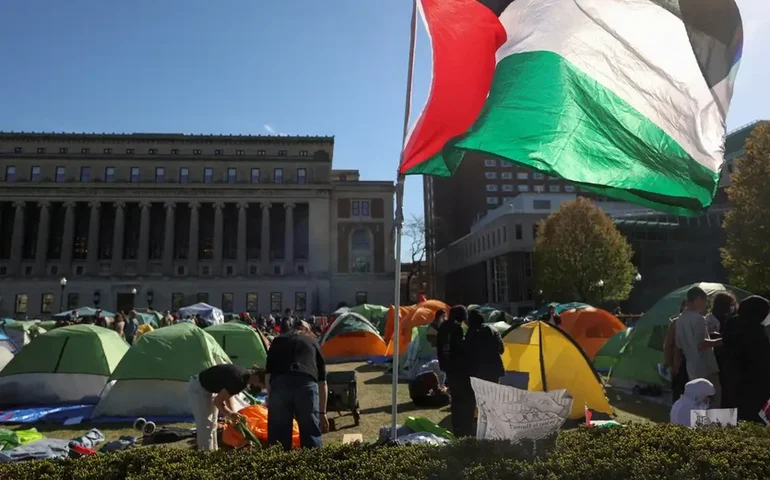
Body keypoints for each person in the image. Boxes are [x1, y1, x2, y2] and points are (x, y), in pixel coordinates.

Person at [266, 320, 328, 450]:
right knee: (310, 433)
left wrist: (271, 398)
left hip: (280, 385)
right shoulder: (312, 342)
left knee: (278, 436)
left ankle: (277, 467)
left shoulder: (277, 341)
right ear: (308, 331)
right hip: (306, 384)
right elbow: (322, 382)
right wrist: (322, 413)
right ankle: (313, 466)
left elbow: (268, 375)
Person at [187, 364, 266, 451]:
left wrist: (233, 412)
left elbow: (228, 395)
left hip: (210, 390)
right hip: (199, 388)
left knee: (212, 424)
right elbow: (218, 402)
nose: (257, 387)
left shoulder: (243, 377)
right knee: (205, 426)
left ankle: (213, 452)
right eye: (260, 386)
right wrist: (229, 413)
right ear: (258, 379)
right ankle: (205, 455)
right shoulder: (239, 379)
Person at [721, 295, 770, 422]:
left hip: (730, 383)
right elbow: (763, 364)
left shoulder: (731, 324)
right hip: (754, 388)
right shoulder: (757, 333)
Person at [676, 287, 722, 408]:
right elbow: (701, 344)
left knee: (697, 401)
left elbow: (679, 344)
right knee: (714, 399)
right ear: (697, 299)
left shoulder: (680, 319)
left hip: (691, 365)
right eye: (705, 300)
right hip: (705, 365)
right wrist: (720, 341)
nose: (706, 304)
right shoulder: (698, 318)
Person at [437, 305, 473, 437]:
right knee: (461, 397)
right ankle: (462, 426)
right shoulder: (456, 328)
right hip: (458, 367)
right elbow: (458, 349)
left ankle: (456, 424)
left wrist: (443, 364)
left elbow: (440, 348)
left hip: (447, 366)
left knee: (455, 396)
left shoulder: (443, 326)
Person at [464, 309, 505, 383]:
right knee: (494, 393)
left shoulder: (471, 332)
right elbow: (501, 350)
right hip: (495, 369)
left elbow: (467, 352)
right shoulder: (494, 330)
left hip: (478, 370)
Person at [663, 299, 689, 402]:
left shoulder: (701, 320)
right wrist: (668, 362)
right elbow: (668, 344)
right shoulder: (676, 322)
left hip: (693, 361)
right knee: (678, 390)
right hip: (679, 360)